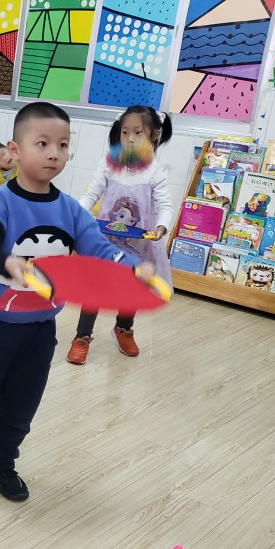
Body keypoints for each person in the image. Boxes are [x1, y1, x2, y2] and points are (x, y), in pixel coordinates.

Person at [0, 102, 153, 509]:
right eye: (43, 143)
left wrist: (131, 267)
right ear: (15, 150)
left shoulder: (70, 209)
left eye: (63, 145)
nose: (54, 153)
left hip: (39, 331)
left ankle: (0, 463)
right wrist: (8, 262)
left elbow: (99, 248)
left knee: (21, 408)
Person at [66, 105, 174, 364]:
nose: (130, 139)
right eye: (125, 132)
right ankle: (82, 336)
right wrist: (75, 215)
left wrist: (161, 227)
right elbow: (91, 194)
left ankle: (123, 329)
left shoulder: (156, 171)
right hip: (105, 242)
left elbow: (166, 206)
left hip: (139, 244)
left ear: (154, 135)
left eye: (138, 132)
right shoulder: (109, 164)